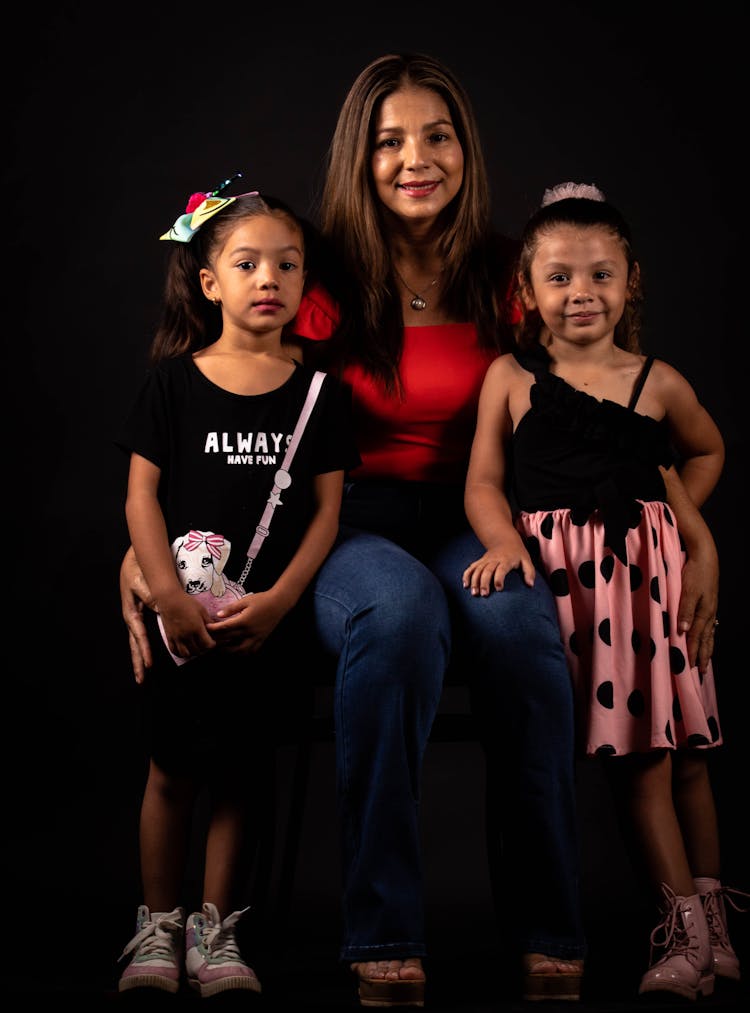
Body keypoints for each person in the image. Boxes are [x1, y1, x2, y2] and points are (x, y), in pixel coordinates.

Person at [120, 56, 719, 1006]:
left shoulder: (513, 275)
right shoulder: (316, 276)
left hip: (487, 521)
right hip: (344, 523)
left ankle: (546, 929)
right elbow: (209, 393)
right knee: (396, 620)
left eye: (435, 134)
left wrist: (698, 539)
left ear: (464, 147)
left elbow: (613, 424)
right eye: (389, 140)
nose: (414, 158)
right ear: (360, 156)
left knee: (527, 631)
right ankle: (383, 931)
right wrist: (146, 556)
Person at [463, 181, 746, 1001]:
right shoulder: (509, 378)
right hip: (567, 591)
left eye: (599, 276)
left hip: (649, 589)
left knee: (682, 760)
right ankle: (688, 931)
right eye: (558, 278)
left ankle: (706, 937)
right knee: (642, 764)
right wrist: (505, 540)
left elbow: (705, 451)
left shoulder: (657, 381)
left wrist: (684, 527)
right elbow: (483, 482)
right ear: (525, 291)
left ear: (630, 284)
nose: (580, 293)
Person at [115, 180, 359, 998]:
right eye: (248, 262)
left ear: (304, 284)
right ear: (209, 280)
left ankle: (218, 932)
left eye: (287, 265)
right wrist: (166, 595)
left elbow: (328, 510)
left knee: (244, 773)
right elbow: (140, 495)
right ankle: (157, 923)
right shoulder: (173, 383)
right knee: (172, 769)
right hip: (183, 617)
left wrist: (287, 596)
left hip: (265, 622)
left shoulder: (318, 391)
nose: (270, 279)